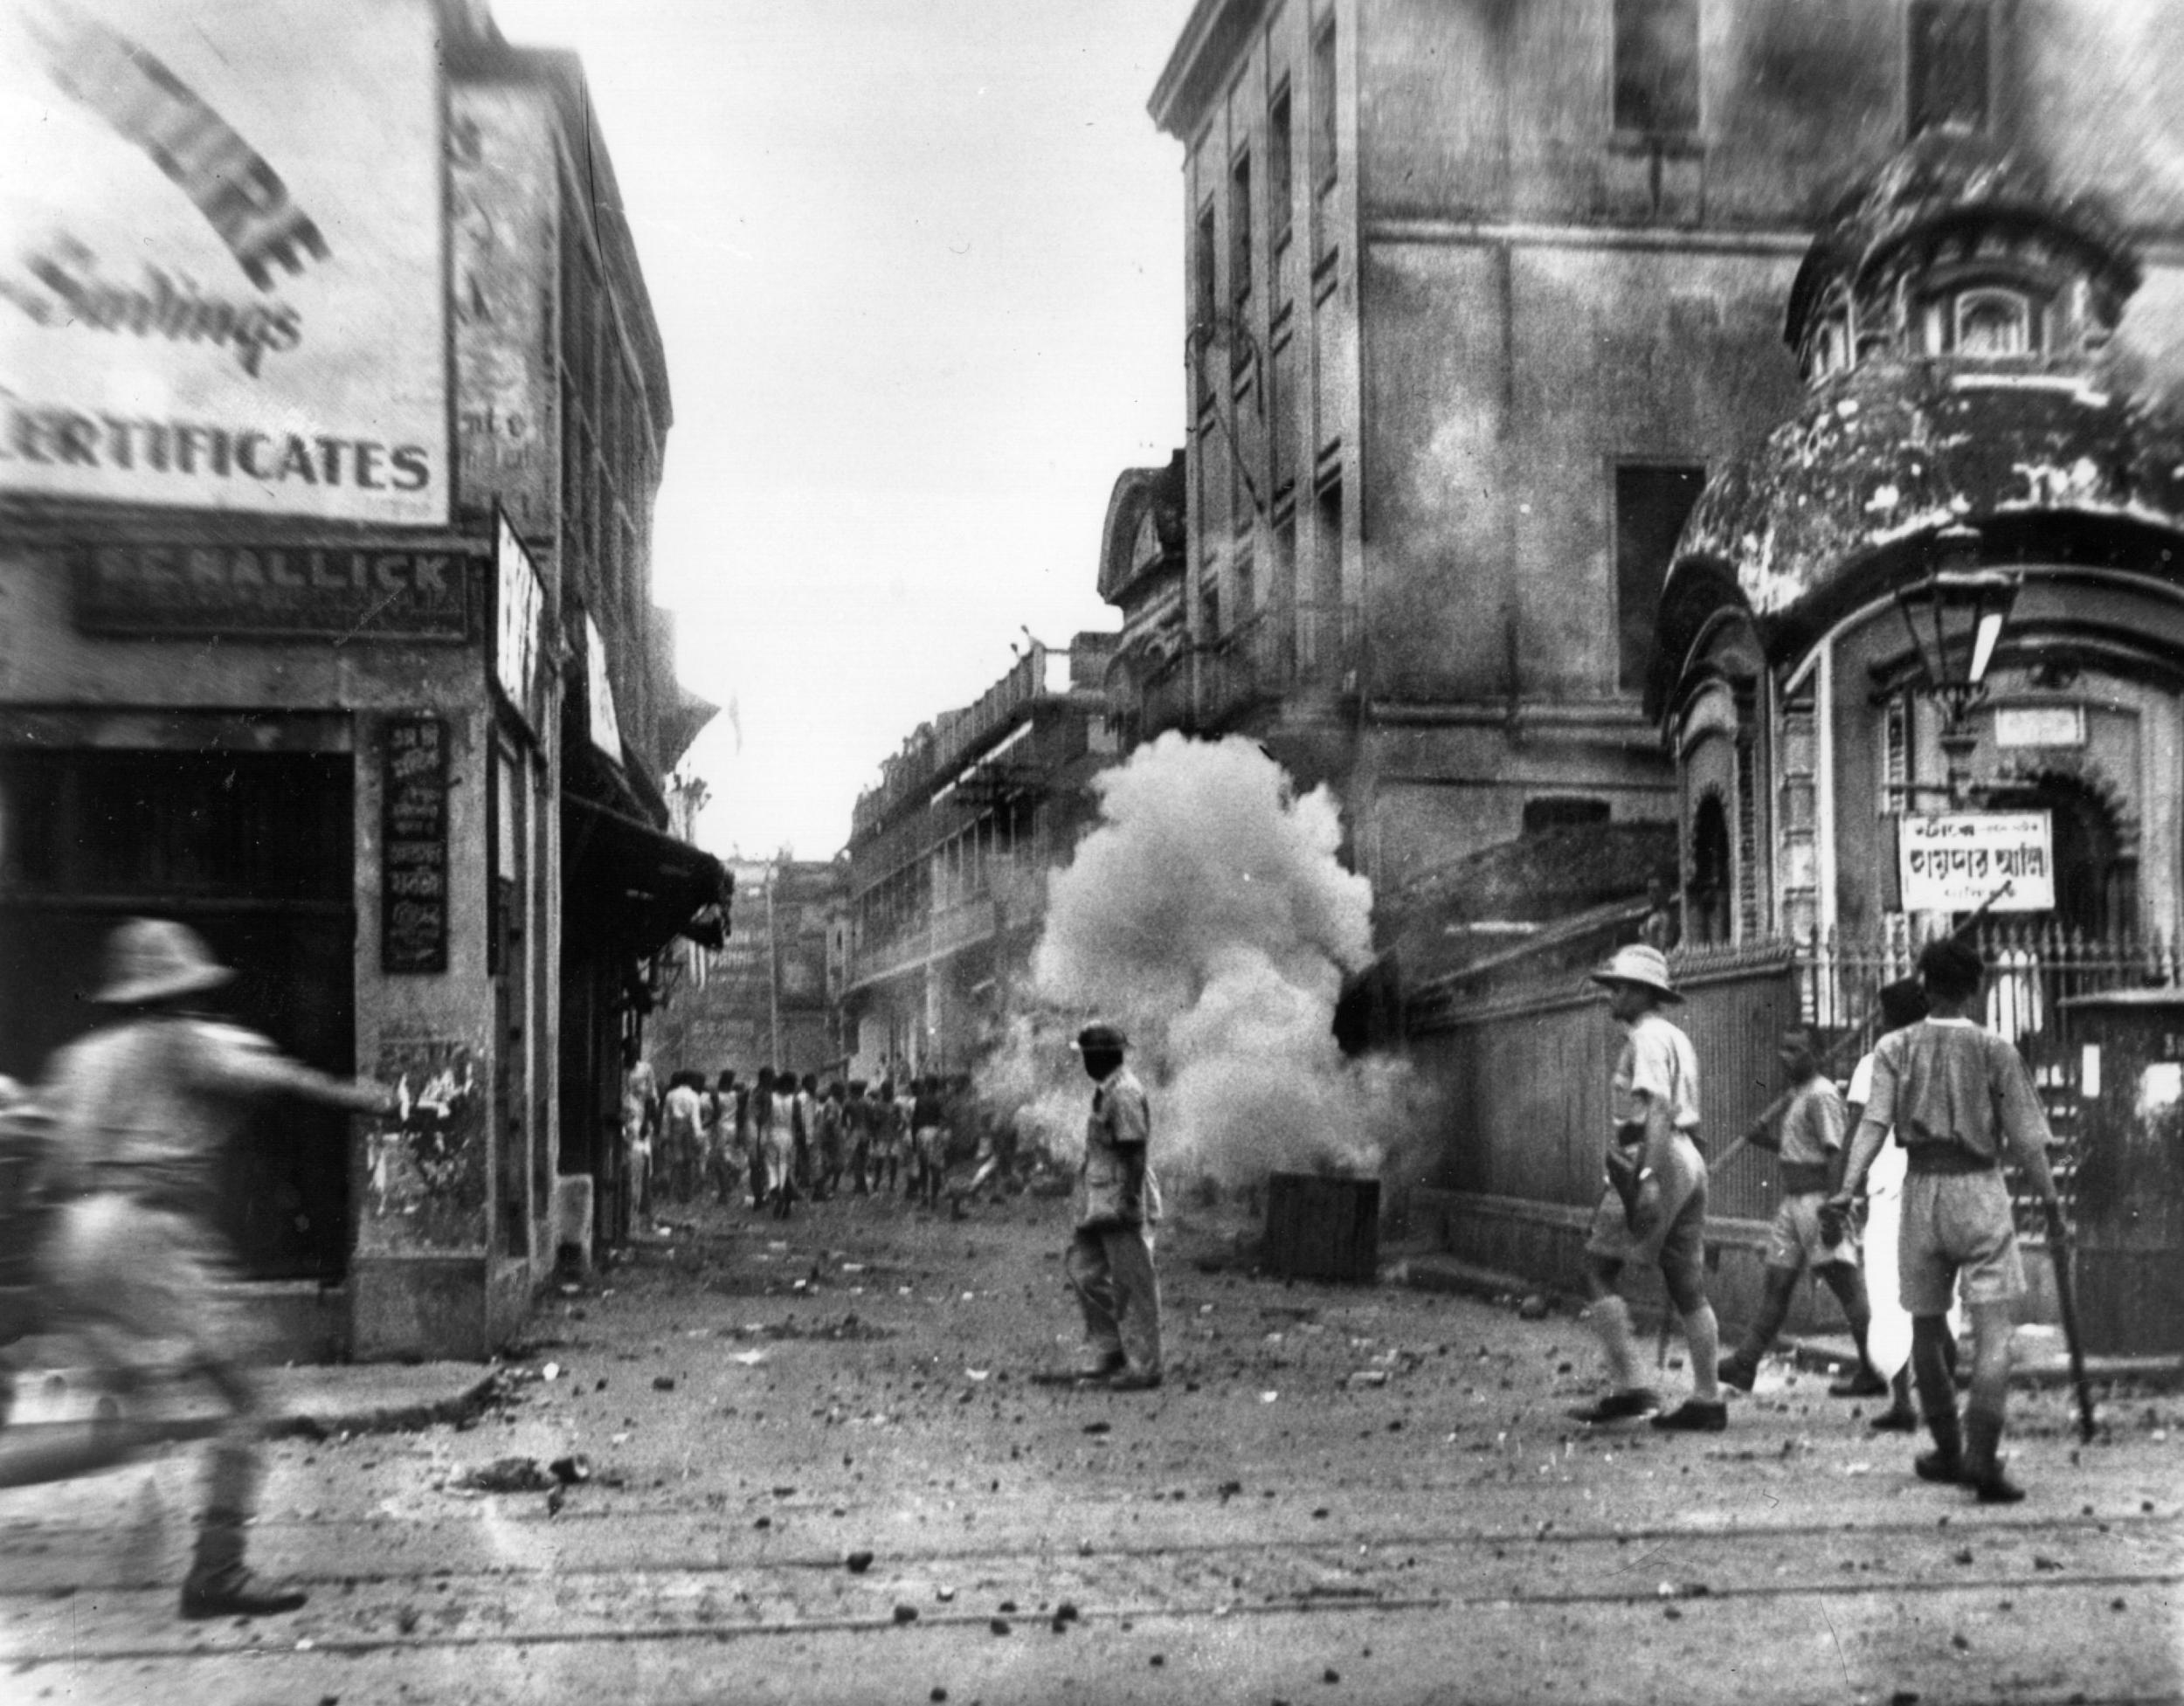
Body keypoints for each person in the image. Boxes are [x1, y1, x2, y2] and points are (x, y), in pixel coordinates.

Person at [29, 919, 392, 1619]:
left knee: (139, 1400)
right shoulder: (186, 1039)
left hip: (77, 1238)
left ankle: (126, 1412)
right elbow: (280, 1076)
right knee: (249, 1402)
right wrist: (365, 1097)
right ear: (182, 989)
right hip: (150, 1234)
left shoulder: (80, 1059)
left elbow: (47, 1169)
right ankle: (217, 1571)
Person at [1825, 937, 2065, 1503]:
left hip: (1921, 1193)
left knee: (1927, 1330)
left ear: (1925, 984)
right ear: (1975, 989)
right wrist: (2052, 1204)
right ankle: (1982, 1453)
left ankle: (1949, 1446)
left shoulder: (1893, 1048)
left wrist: (1845, 1188)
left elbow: (1873, 1126)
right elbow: (2030, 1143)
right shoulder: (1997, 1049)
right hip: (1981, 1191)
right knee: (1992, 1333)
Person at [1569, 944, 1726, 1432]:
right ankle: (1706, 1398)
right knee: (1685, 1283)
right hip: (1686, 1156)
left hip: (1652, 1154)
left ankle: (1632, 1389)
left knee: (1596, 1269)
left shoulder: (1647, 1040)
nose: (1611, 996)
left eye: (1618, 987)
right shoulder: (1673, 1036)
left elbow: (1657, 1110)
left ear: (1641, 992)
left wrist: (1647, 1178)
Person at [1717, 1026, 1900, 1410]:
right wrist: (1763, 1140)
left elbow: (1835, 1154)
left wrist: (1834, 1207)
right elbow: (1799, 1149)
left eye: (1797, 1050)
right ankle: (1746, 1363)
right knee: (1777, 1282)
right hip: (1792, 1203)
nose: (1787, 1057)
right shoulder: (1799, 1094)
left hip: (1817, 1202)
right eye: (1784, 1049)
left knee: (1847, 1287)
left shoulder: (1821, 1095)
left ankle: (1874, 1368)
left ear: (1815, 1055)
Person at [1845, 978, 1934, 1433]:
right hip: (1936, 1185)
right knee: (1937, 1295)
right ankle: (1934, 1401)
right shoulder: (1944, 1058)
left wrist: (1847, 1187)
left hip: (1889, 1190)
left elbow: (1861, 1127)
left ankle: (1904, 1400)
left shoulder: (1873, 1062)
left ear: (1888, 1017)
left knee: (1889, 1293)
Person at [1062, 1023, 1162, 1392]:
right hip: (1100, 1197)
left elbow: (1134, 1149)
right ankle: (1112, 1351)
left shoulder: (1124, 1094)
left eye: (1088, 1055)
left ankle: (1144, 1367)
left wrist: (1130, 1199)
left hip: (1121, 1197)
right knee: (1084, 1271)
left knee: (1132, 1284)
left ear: (1102, 1056)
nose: (1085, 1063)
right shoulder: (1108, 1091)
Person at [620, 1041, 658, 1223]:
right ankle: (627, 1210)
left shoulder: (646, 1070)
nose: (633, 1054)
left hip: (639, 1122)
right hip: (622, 1120)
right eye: (630, 1050)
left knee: (640, 1164)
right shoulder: (618, 1070)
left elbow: (651, 1098)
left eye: (636, 1050)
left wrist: (646, 1123)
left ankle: (638, 1208)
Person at [660, 1070, 705, 1205]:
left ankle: (673, 1192)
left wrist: (665, 1134)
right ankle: (686, 1194)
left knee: (676, 1161)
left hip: (675, 1128)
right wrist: (698, 1136)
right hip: (689, 1129)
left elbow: (666, 1117)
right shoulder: (694, 1096)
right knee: (688, 1161)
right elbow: (695, 1118)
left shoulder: (670, 1095)